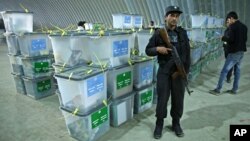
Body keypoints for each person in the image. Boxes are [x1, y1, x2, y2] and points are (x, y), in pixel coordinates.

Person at [145, 6, 190, 139]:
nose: (174, 18)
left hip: (178, 72)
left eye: (177, 16)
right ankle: (159, 125)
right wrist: (158, 49)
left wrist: (185, 71)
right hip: (164, 71)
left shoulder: (182, 33)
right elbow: (148, 50)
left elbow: (187, 53)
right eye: (172, 15)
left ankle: (176, 123)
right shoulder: (159, 32)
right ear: (166, 17)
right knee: (162, 100)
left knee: (178, 100)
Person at [209, 11, 248, 95]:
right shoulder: (244, 27)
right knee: (237, 70)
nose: (228, 22)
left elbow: (231, 39)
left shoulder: (232, 27)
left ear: (231, 18)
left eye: (228, 20)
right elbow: (245, 39)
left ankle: (218, 90)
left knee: (224, 71)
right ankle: (234, 90)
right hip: (241, 52)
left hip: (234, 52)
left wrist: (223, 38)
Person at [222, 19, 236, 83]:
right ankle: (227, 75)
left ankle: (228, 77)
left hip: (230, 50)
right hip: (226, 49)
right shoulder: (226, 30)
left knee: (230, 64)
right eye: (227, 22)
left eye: (228, 22)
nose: (227, 23)